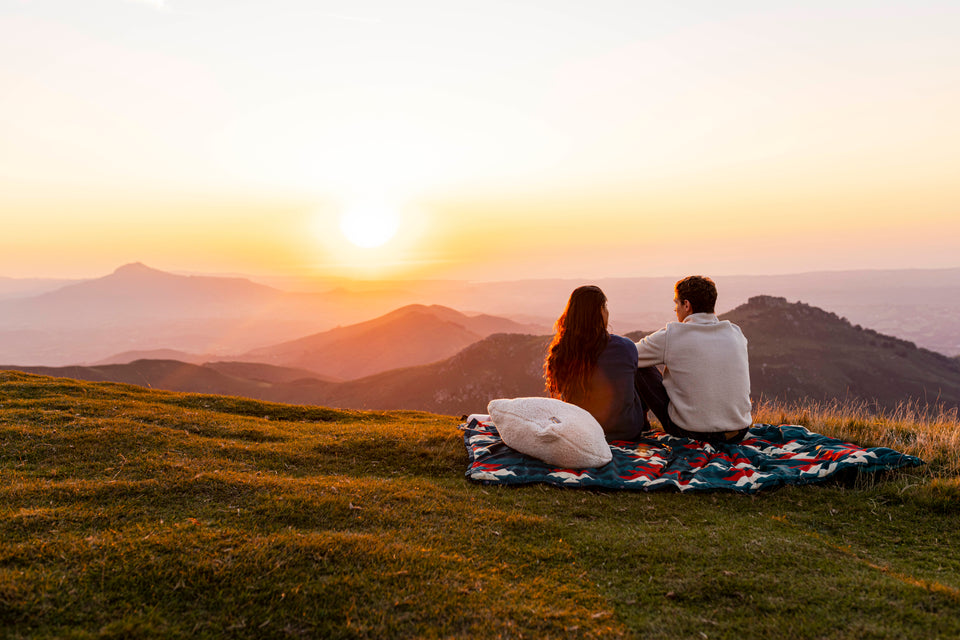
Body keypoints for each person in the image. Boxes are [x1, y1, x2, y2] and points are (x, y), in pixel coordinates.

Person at [634, 275, 752, 444]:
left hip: (689, 433)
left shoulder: (672, 335)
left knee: (639, 366)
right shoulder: (736, 333)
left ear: (687, 305)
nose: (675, 309)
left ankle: (640, 426)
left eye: (677, 303)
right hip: (738, 432)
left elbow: (629, 355)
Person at [544, 285, 648, 442]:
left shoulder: (562, 350)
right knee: (645, 369)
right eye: (605, 307)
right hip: (626, 431)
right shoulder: (625, 346)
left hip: (584, 430)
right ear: (600, 311)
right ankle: (670, 424)